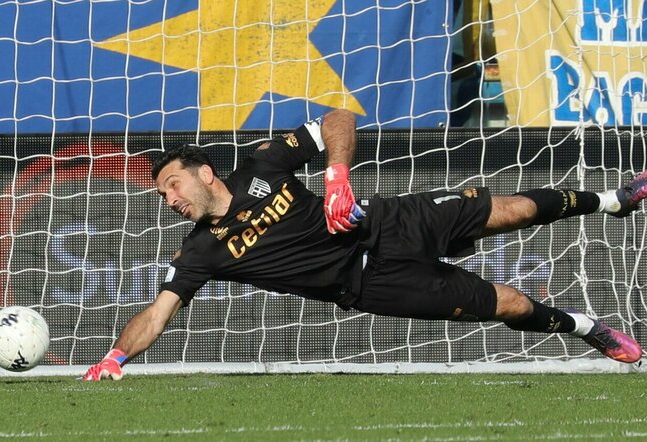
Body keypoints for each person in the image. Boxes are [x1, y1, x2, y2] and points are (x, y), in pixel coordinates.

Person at [83, 109, 644, 381]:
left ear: (205, 173)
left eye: (172, 186)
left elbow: (337, 119)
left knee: (514, 210)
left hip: (388, 222)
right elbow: (158, 313)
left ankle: (612, 200)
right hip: (376, 285)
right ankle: (587, 328)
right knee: (513, 303)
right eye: (162, 195)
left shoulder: (264, 165)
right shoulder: (200, 251)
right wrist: (114, 356)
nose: (168, 200)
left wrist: (336, 178)